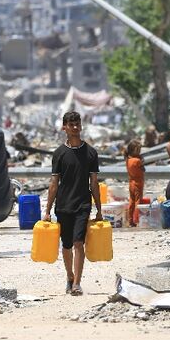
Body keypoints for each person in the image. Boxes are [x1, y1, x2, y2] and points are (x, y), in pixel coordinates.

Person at [44, 111, 103, 296]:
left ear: (81, 126)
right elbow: (54, 184)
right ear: (64, 127)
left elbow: (94, 183)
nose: (75, 127)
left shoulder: (91, 153)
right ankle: (69, 276)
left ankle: (77, 283)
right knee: (67, 245)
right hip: (63, 205)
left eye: (77, 124)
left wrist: (99, 209)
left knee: (79, 243)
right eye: (71, 124)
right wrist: (46, 210)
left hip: (83, 205)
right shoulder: (59, 154)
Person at [125, 139, 144, 227]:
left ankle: (130, 220)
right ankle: (137, 220)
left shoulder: (128, 160)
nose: (140, 152)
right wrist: (142, 160)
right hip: (138, 183)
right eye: (138, 150)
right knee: (138, 202)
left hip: (131, 183)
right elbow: (143, 169)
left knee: (131, 201)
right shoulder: (137, 161)